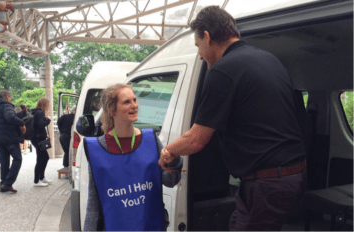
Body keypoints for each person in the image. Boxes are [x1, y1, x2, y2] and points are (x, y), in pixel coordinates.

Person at [158, 6, 306, 231]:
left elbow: (196, 140)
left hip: (266, 184)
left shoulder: (223, 70)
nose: (199, 54)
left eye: (198, 46)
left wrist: (169, 151)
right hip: (294, 176)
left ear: (207, 36)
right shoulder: (270, 60)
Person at [83, 83, 183, 231]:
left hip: (150, 226)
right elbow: (94, 203)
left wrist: (174, 162)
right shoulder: (98, 149)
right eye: (126, 102)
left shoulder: (151, 139)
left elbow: (169, 181)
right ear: (112, 109)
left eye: (135, 100)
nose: (134, 105)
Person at [0, 90, 26, 193]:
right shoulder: (6, 105)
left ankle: (3, 184)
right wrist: (21, 123)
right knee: (18, 159)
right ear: (7, 97)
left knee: (4, 163)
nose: (10, 99)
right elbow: (10, 117)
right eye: (10, 97)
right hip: (9, 137)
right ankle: (7, 183)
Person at [30, 97, 52, 187]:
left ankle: (41, 177)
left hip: (37, 138)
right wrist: (48, 120)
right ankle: (36, 181)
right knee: (41, 158)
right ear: (44, 105)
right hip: (38, 139)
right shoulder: (40, 113)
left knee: (45, 157)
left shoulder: (35, 112)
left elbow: (37, 126)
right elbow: (41, 124)